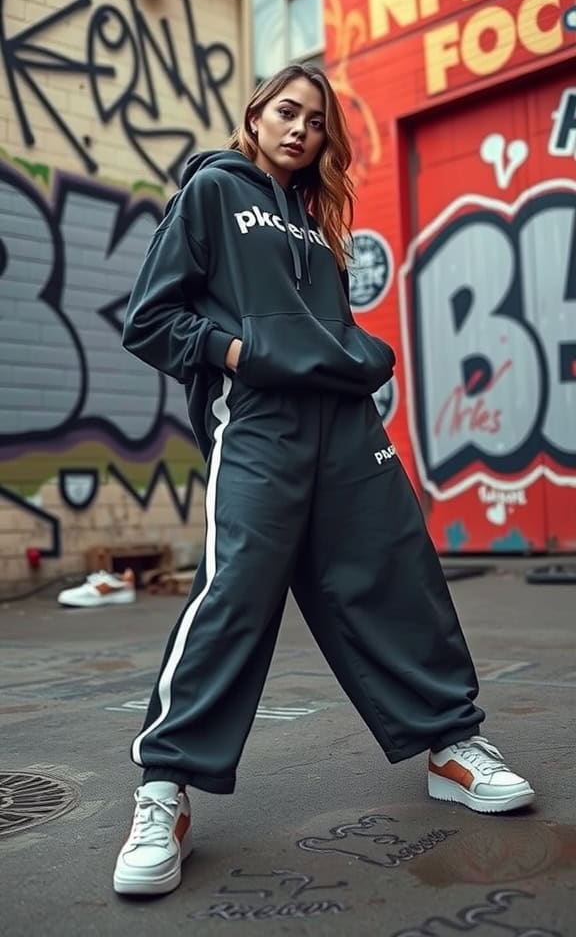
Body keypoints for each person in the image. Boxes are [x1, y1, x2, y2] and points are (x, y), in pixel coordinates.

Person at [113, 63, 535, 897]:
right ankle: (166, 790)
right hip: (263, 422)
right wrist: (246, 356)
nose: (301, 128)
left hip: (344, 421)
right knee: (236, 592)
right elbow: (151, 320)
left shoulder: (315, 223)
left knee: (397, 570)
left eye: (315, 120)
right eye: (287, 112)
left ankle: (451, 748)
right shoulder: (211, 192)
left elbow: (324, 326)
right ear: (255, 115)